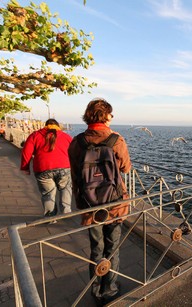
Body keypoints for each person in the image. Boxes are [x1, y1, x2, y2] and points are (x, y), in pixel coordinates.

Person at [68, 98, 131, 305]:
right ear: (105, 116)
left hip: (89, 204)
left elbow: (76, 173)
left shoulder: (77, 142)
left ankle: (95, 290)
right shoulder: (116, 140)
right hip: (114, 204)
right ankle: (110, 290)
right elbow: (126, 168)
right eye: (111, 114)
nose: (112, 117)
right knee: (112, 248)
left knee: (96, 248)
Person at [20, 119, 73, 219]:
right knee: (65, 189)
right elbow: (74, 152)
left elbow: (26, 152)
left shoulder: (35, 135)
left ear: (45, 126)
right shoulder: (66, 136)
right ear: (58, 126)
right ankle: (66, 213)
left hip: (42, 168)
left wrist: (25, 167)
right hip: (64, 167)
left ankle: (50, 216)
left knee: (48, 193)